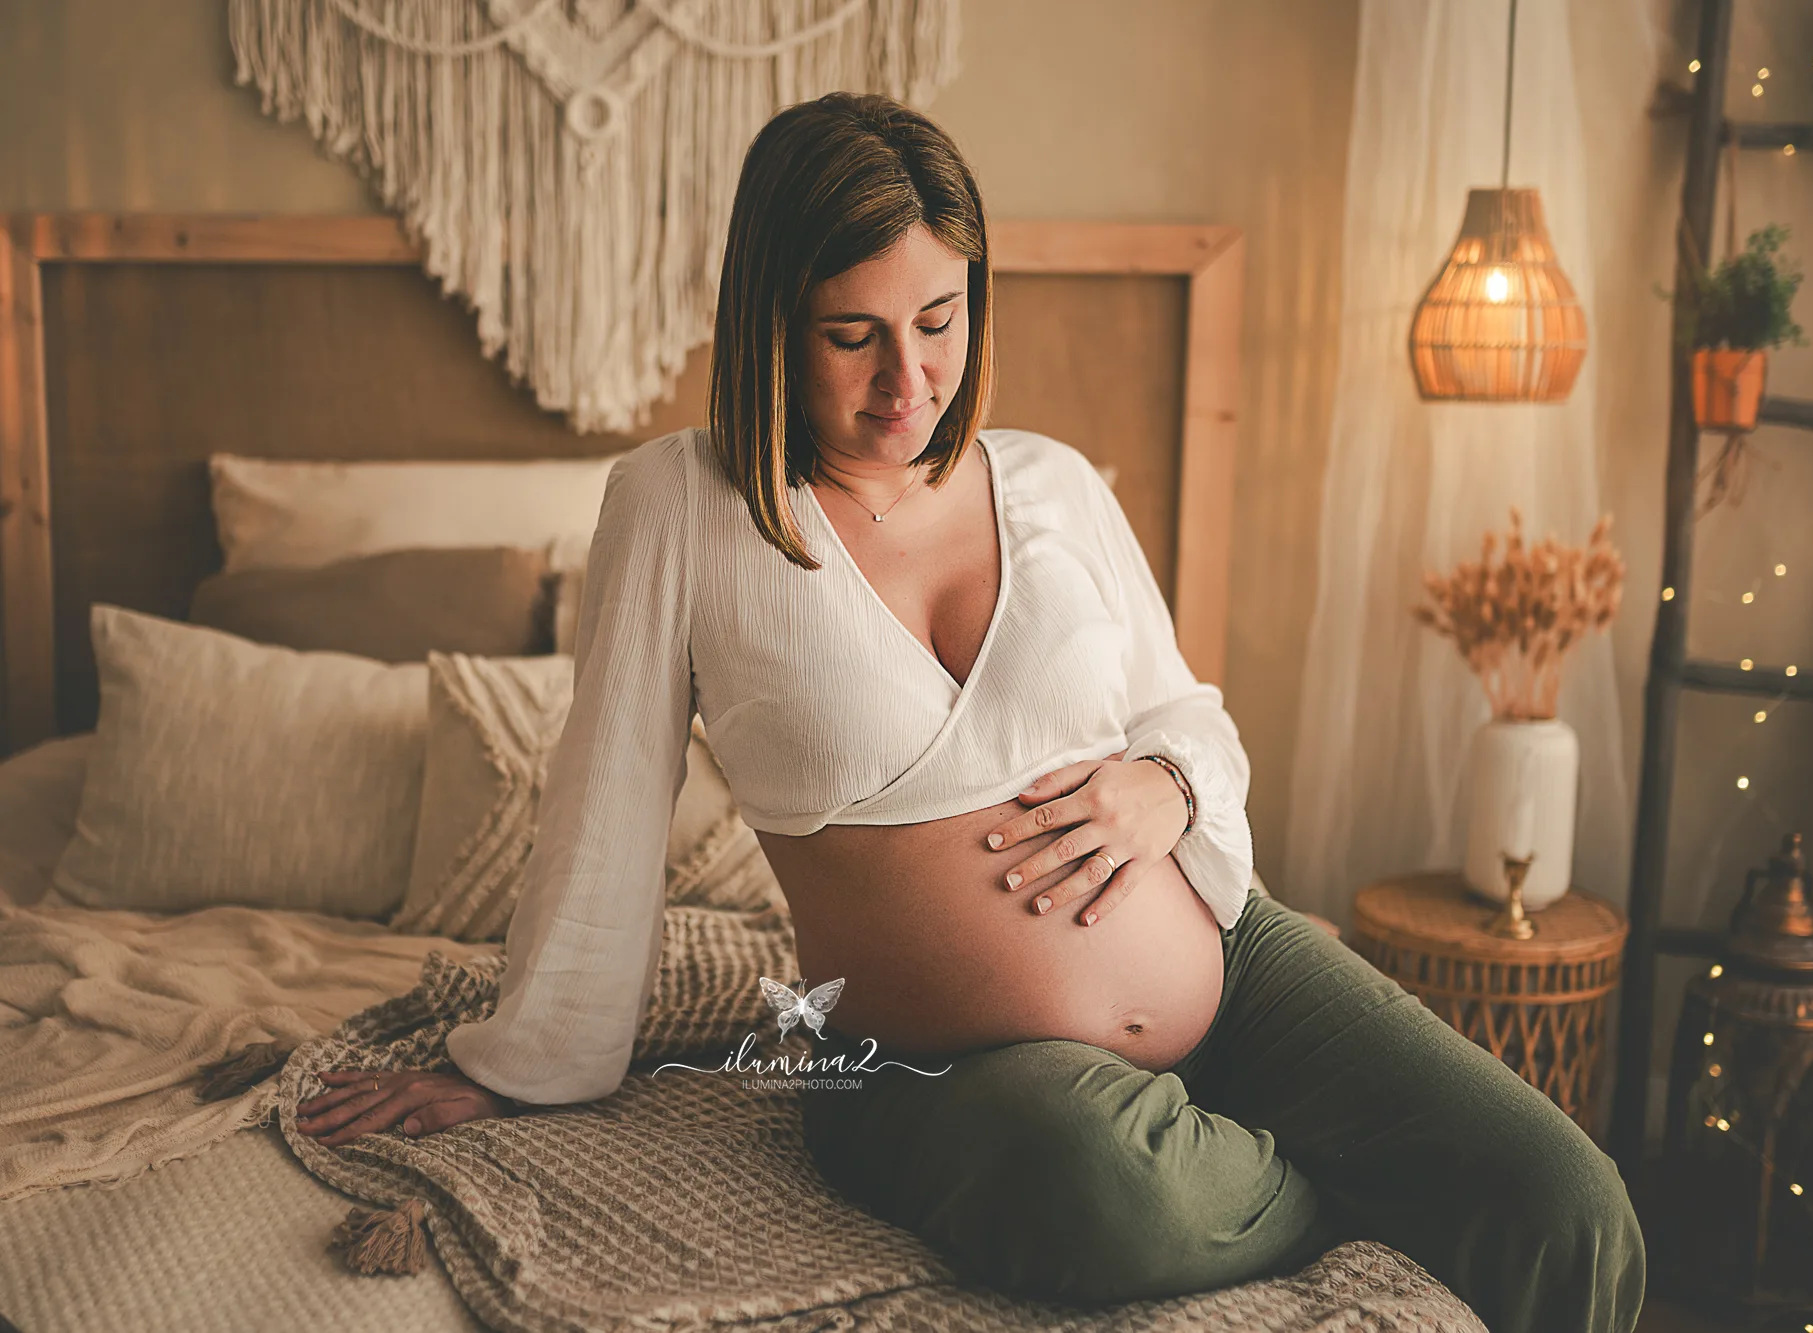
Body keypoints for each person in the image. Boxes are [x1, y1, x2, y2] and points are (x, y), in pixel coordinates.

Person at [298, 91, 1645, 1332]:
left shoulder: (1052, 484)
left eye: (940, 322)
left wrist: (1164, 786)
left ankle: (1290, 1154)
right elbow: (604, 802)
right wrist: (524, 1063)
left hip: (1234, 965)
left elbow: (1190, 713)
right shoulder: (682, 509)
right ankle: (1331, 1190)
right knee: (1113, 1195)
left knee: (1570, 1210)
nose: (908, 383)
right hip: (935, 1074)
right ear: (772, 318)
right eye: (853, 337)